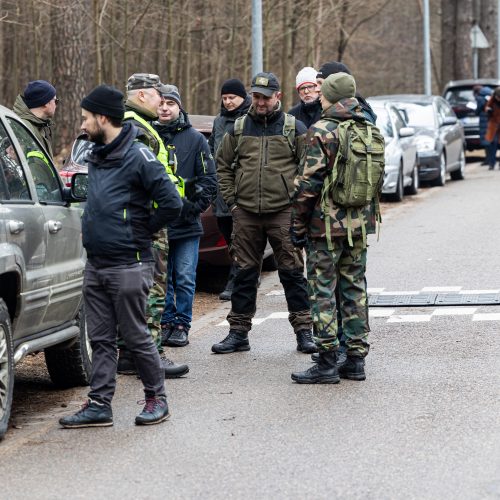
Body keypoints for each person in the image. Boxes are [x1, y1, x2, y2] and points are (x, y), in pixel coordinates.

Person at [59, 85, 183, 428]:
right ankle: (100, 404)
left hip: (129, 263)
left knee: (136, 335)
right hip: (97, 263)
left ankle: (157, 399)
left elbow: (172, 202)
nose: (83, 125)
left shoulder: (138, 157)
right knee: (100, 338)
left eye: (86, 118)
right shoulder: (96, 155)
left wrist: (141, 232)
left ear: (102, 117)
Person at [213, 71, 316, 355]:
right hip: (245, 212)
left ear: (277, 97)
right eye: (256, 96)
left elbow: (307, 168)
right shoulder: (238, 127)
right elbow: (222, 166)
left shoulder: (294, 128)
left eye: (265, 97)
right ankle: (238, 332)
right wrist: (233, 202)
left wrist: (297, 205)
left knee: (293, 273)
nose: (260, 102)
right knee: (244, 274)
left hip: (283, 212)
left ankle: (305, 332)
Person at [290, 73, 375, 384]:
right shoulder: (367, 127)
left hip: (324, 226)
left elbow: (308, 184)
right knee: (355, 289)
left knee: (322, 291)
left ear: (331, 95)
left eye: (324, 92)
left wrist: (297, 224)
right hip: (359, 224)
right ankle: (355, 360)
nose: (320, 96)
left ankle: (326, 361)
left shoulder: (323, 130)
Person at [118, 73, 189, 377]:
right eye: (158, 95)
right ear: (143, 95)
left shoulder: (132, 125)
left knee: (135, 290)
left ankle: (130, 354)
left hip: (139, 220)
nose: (162, 101)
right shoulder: (137, 129)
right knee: (151, 290)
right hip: (146, 221)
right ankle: (150, 355)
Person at [154, 84, 217, 347]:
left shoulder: (194, 139)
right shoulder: (148, 136)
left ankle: (182, 323)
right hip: (158, 224)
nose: (165, 108)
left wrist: (194, 206)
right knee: (162, 278)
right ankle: (165, 322)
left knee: (185, 276)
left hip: (187, 223)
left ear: (179, 107)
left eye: (171, 103)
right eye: (161, 103)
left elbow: (208, 178)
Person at [208, 78, 252, 301]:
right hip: (221, 192)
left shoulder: (250, 119)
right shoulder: (218, 122)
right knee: (229, 238)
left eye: (232, 97)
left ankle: (237, 280)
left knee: (241, 238)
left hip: (244, 190)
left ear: (242, 97)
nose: (228, 102)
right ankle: (243, 275)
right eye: (224, 98)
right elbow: (212, 151)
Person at [13, 80, 58, 159]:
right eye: (55, 101)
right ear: (46, 103)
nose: (56, 105)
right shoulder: (24, 128)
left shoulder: (38, 125)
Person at [481, 86, 499, 170]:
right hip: (494, 125)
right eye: (497, 97)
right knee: (493, 144)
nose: (498, 99)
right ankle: (492, 163)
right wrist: (488, 110)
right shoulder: (492, 100)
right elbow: (486, 107)